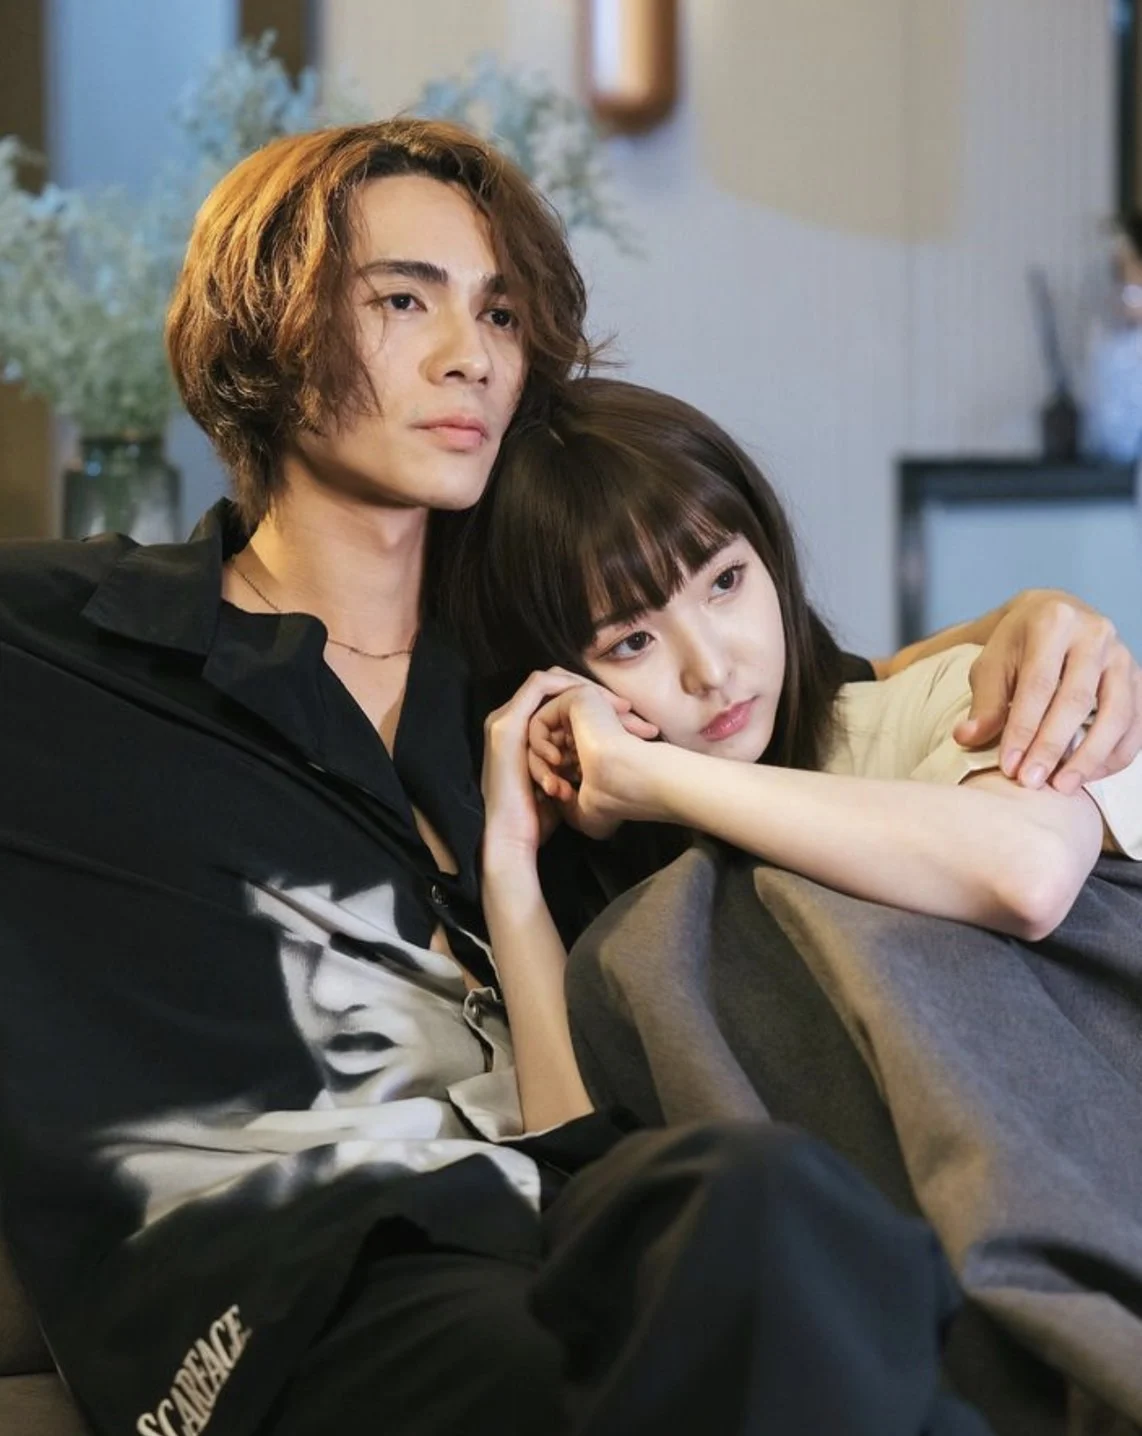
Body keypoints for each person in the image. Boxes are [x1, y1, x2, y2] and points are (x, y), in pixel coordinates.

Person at [0, 119, 1135, 1436]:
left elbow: (805, 695)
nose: (468, 353)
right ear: (265, 327)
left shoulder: (548, 672)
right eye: (403, 301)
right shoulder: (72, 648)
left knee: (783, 1214)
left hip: (583, 1231)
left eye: (497, 310)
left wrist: (1027, 621)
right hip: (303, 1289)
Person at [457, 377, 1141, 941]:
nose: (712, 671)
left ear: (769, 555)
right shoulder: (595, 888)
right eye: (632, 642)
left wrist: (649, 776)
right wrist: (509, 868)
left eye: (725, 581)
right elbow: (560, 1082)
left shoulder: (923, 706)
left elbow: (1027, 873)